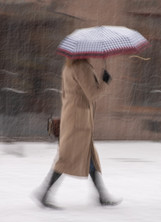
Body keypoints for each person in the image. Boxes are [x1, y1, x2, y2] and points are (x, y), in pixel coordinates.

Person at [36, 58, 122, 208]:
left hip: (71, 116)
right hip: (79, 121)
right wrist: (105, 81)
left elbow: (66, 94)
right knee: (66, 158)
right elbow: (93, 95)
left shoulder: (68, 67)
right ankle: (44, 193)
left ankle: (101, 195)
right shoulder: (82, 67)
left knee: (88, 158)